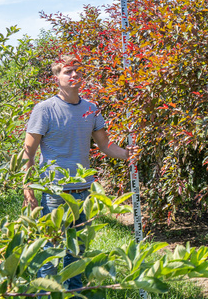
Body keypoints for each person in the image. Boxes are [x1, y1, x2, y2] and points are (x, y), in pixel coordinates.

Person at [22, 54, 135, 290]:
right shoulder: (44, 109)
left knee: (76, 255)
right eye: (67, 71)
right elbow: (28, 153)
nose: (74, 75)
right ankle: (47, 295)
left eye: (77, 72)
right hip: (54, 194)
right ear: (56, 77)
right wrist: (27, 189)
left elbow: (105, 145)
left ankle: (72, 294)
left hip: (83, 193)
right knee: (51, 255)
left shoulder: (91, 109)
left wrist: (127, 154)